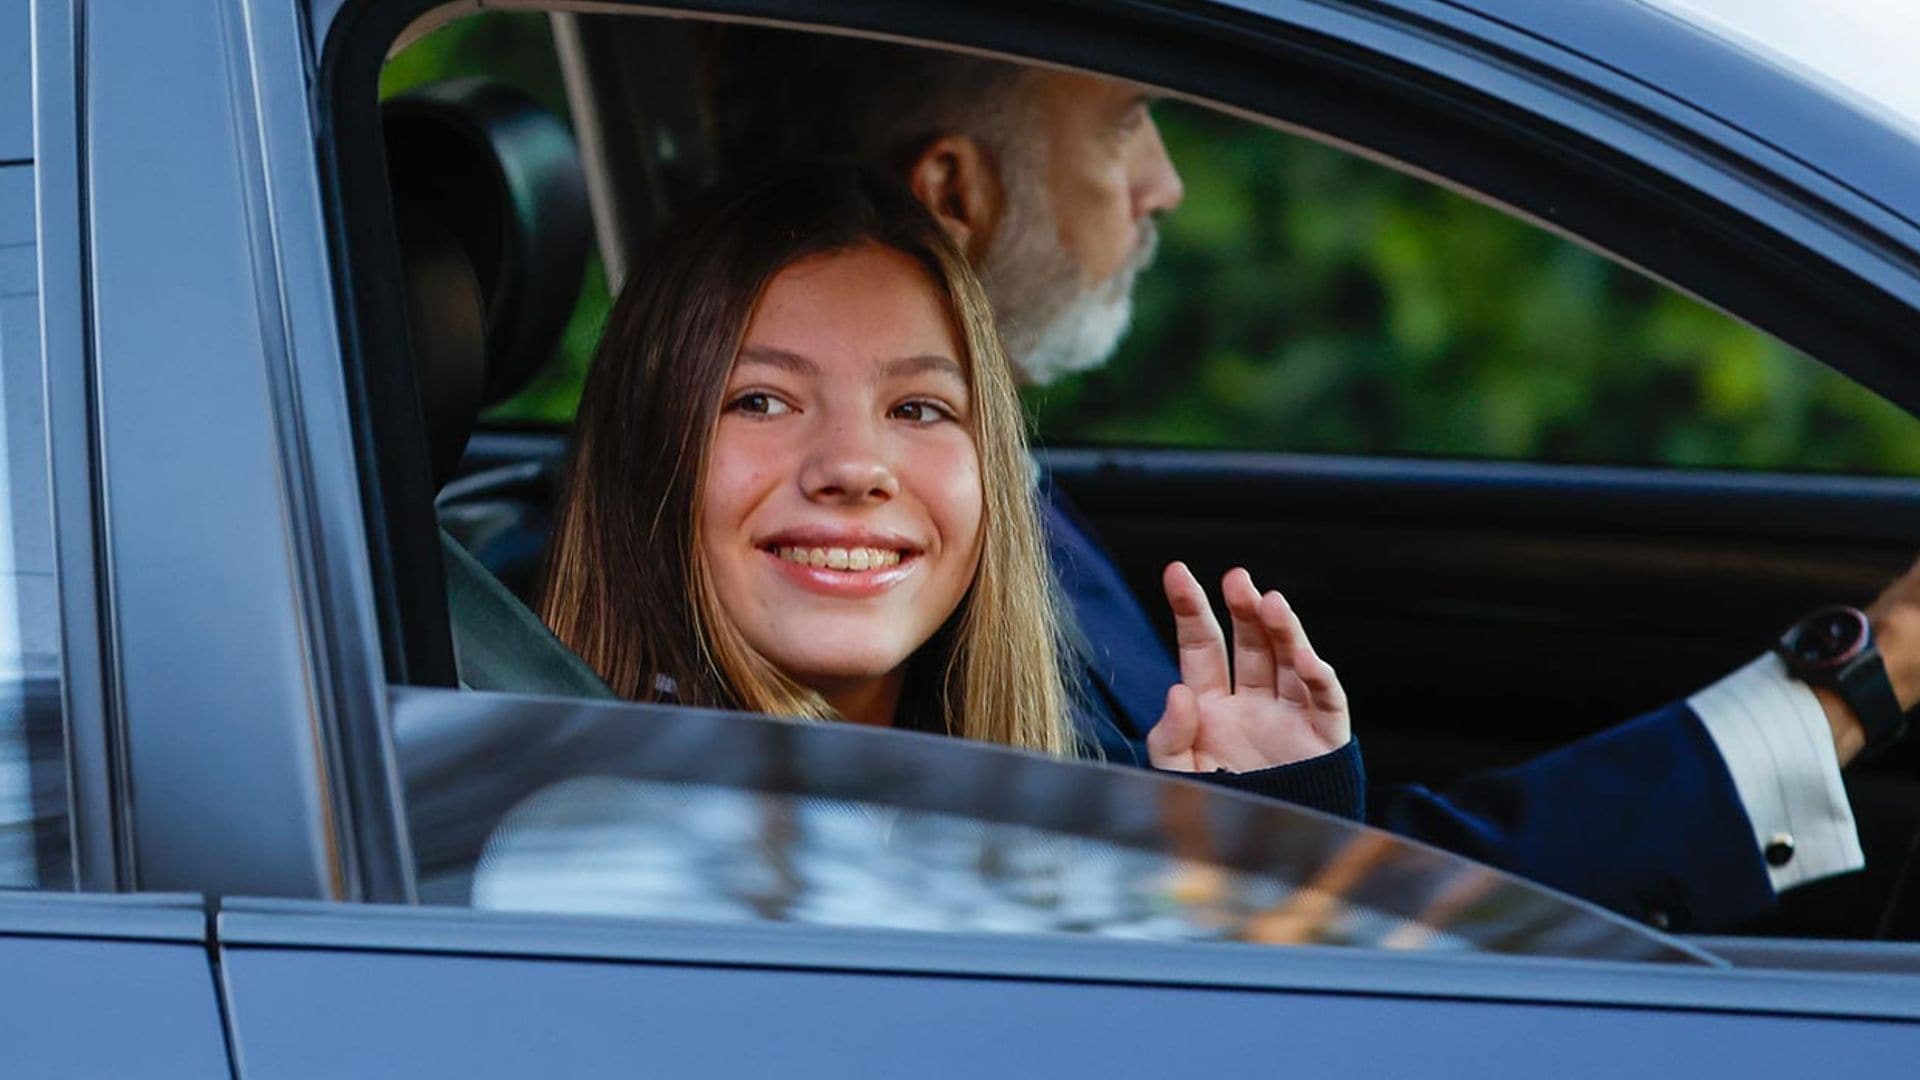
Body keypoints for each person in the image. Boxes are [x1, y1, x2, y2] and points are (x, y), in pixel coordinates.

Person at [708, 30, 1920, 931]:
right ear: (955, 193)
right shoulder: (893, 586)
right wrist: (1846, 689)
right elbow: (1336, 921)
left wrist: (1267, 811)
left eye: (919, 407)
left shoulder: (990, 506)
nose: (1164, 182)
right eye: (1127, 118)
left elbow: (1225, 909)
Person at [537, 164, 1364, 816]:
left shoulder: (1036, 807)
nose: (856, 466)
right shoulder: (596, 841)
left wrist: (1253, 841)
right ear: (648, 452)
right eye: (759, 400)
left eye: (918, 408)